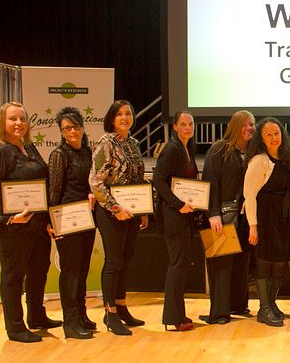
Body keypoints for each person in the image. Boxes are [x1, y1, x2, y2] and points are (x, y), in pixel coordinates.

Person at [0, 102, 62, 343]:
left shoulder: (29, 148)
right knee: (14, 276)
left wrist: (46, 219)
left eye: (23, 119)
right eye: (13, 119)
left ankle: (37, 316)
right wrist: (8, 218)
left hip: (36, 225)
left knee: (38, 272)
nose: (19, 124)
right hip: (12, 228)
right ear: (2, 123)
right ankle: (15, 327)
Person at [89, 100, 148, 336]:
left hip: (132, 212)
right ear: (111, 118)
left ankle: (122, 307)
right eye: (120, 114)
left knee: (126, 259)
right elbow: (95, 182)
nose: (125, 118)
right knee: (113, 262)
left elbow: (138, 179)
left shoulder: (133, 143)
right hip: (111, 213)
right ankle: (110, 312)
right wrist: (115, 208)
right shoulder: (106, 144)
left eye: (128, 114)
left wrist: (142, 210)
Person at [200, 110, 255, 325]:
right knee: (220, 267)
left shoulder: (252, 152)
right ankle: (220, 313)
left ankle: (238, 306)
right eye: (246, 124)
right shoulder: (219, 149)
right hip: (220, 216)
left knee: (241, 263)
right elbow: (210, 183)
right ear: (236, 126)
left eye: (252, 125)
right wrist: (212, 213)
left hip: (243, 217)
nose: (250, 128)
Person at [47, 107, 97, 340]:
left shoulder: (88, 152)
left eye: (75, 126)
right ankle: (70, 321)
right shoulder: (59, 155)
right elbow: (54, 191)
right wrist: (51, 222)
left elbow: (92, 183)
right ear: (61, 132)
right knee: (70, 271)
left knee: (83, 268)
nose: (71, 131)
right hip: (66, 219)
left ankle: (82, 315)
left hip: (86, 218)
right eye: (66, 128)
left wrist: (91, 193)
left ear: (82, 127)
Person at [243, 117, 290, 327]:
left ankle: (272, 304)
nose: (274, 138)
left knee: (280, 262)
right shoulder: (259, 160)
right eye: (269, 135)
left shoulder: (286, 159)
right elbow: (249, 195)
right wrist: (253, 227)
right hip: (265, 218)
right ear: (261, 139)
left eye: (277, 133)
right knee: (265, 262)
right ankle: (264, 309)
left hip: (282, 219)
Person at [153, 110, 197, 332]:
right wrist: (179, 203)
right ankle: (172, 317)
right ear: (175, 127)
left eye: (190, 123)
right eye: (183, 124)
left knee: (181, 265)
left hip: (183, 216)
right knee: (177, 265)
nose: (188, 127)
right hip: (173, 217)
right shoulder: (171, 150)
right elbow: (158, 182)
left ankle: (177, 314)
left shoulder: (186, 148)